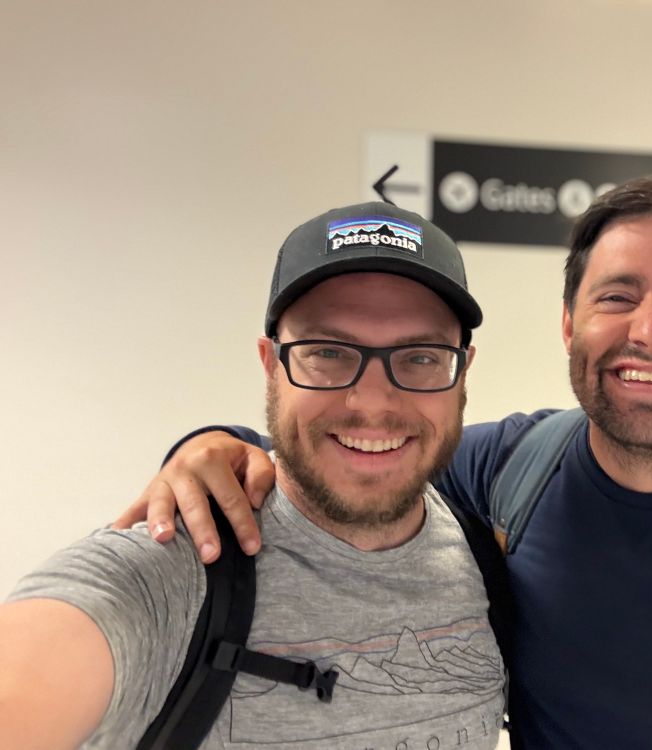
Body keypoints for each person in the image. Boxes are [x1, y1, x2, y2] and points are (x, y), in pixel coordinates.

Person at [119, 174, 652, 749]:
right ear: (570, 324)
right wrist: (213, 447)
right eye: (617, 295)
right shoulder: (503, 473)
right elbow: (358, 455)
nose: (651, 331)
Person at [0, 203, 508, 749]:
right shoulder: (171, 566)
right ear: (271, 365)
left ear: (462, 371)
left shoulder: (489, 557)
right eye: (329, 353)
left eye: (420, 357)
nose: (372, 403)